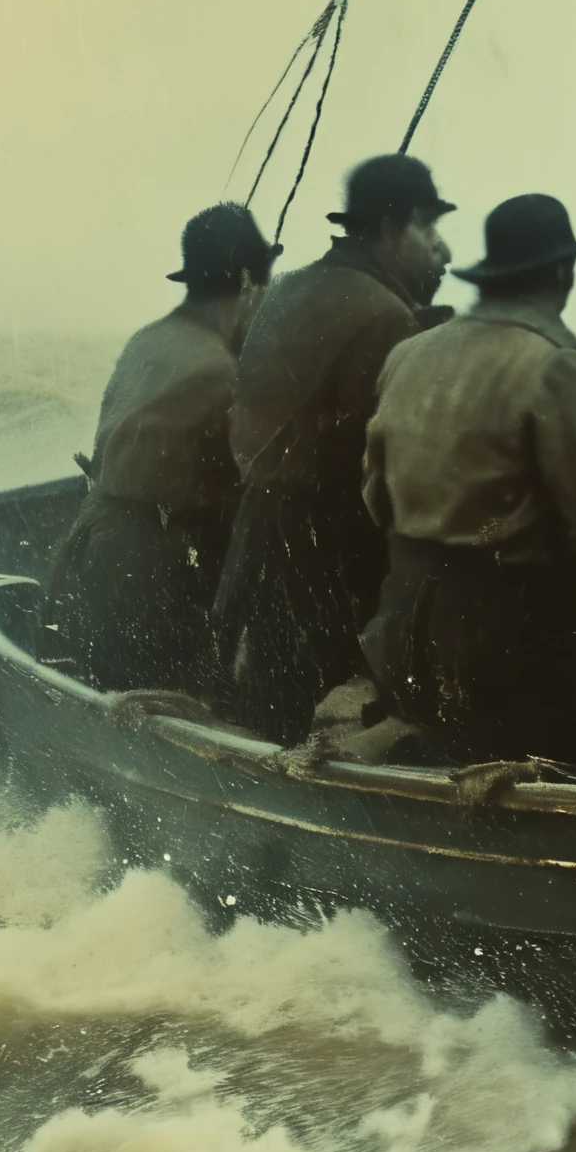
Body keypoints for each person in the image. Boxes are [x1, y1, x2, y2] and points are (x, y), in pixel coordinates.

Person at [359, 194, 576, 765]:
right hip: (507, 651)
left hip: (401, 634)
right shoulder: (560, 365)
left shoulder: (409, 354)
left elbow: (375, 499)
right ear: (564, 271)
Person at [213, 153, 454, 740]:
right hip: (321, 554)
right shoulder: (385, 315)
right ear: (393, 230)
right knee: (317, 720)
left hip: (255, 538)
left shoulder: (286, 289)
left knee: (264, 715)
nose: (443, 251)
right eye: (430, 228)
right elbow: (380, 477)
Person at [44, 202, 279, 693]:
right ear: (245, 281)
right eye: (266, 279)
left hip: (90, 545)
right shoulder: (222, 368)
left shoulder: (146, 339)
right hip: (145, 572)